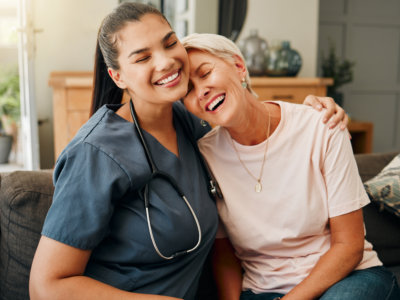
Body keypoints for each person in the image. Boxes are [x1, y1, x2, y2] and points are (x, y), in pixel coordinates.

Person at [29, 3, 347, 300]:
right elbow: (47, 285)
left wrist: (309, 114)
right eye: (142, 58)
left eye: (169, 43)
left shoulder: (190, 121)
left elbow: (249, 120)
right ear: (118, 76)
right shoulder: (94, 153)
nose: (166, 61)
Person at [181, 33, 400, 300]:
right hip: (262, 290)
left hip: (349, 279)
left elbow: (349, 246)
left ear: (239, 67)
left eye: (205, 73)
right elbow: (224, 255)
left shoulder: (322, 127)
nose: (201, 90)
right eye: (188, 91)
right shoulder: (204, 156)